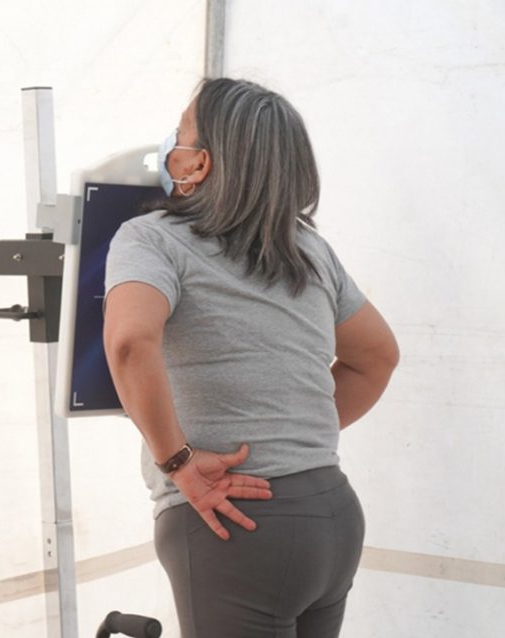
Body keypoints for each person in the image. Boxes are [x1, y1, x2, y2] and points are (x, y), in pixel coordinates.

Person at [102, 78, 400, 638]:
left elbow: (129, 342)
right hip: (331, 513)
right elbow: (377, 357)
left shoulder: (151, 239)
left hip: (236, 522)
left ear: (202, 163)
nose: (172, 144)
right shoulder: (309, 249)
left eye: (182, 132)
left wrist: (177, 462)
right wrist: (293, 433)